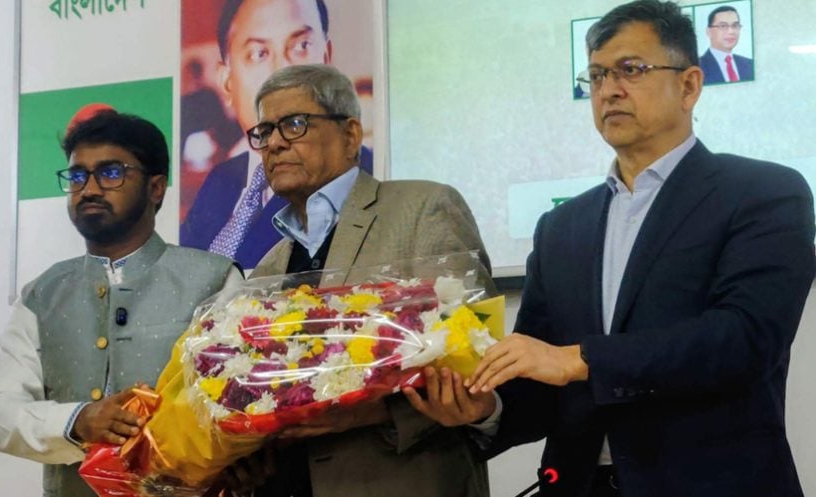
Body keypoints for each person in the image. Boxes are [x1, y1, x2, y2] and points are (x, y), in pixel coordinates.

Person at [411, 1, 814, 496]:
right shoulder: (562, 227)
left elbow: (745, 338)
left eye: (631, 70)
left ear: (689, 85)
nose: (609, 90)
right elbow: (541, 379)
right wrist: (486, 408)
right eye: (598, 76)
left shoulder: (763, 192)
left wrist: (581, 359)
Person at [243, 64, 493, 497]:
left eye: (294, 124)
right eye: (265, 132)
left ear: (351, 134)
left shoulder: (423, 209)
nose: (276, 143)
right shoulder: (266, 269)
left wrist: (368, 412)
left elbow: (474, 357)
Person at [0, 110, 241, 497]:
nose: (89, 189)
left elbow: (239, 403)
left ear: (156, 188)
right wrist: (77, 421)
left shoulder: (214, 279)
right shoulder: (43, 294)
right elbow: (0, 411)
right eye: (78, 176)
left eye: (110, 173)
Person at [180, 0, 373, 269]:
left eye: (301, 46)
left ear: (327, 60)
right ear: (227, 82)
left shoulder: (363, 175)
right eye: (259, 53)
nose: (283, 73)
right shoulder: (220, 181)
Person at [699, 5, 754, 84]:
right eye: (723, 26)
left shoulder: (750, 64)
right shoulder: (698, 66)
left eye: (735, 25)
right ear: (709, 31)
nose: (731, 32)